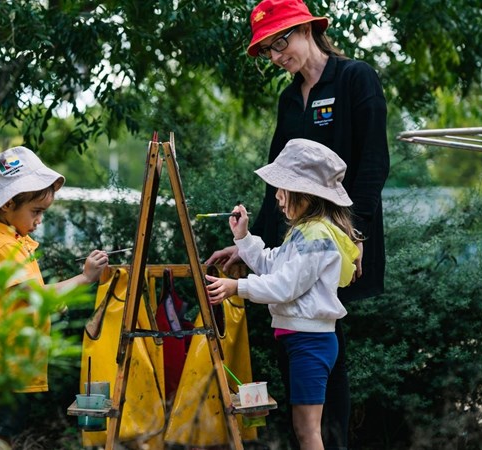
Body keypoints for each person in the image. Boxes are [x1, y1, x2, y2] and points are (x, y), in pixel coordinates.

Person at [206, 0, 390, 448]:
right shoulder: (289, 97)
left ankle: (328, 440)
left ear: (308, 28)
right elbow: (278, 179)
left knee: (325, 333)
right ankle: (311, 440)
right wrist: (251, 244)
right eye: (267, 49)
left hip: (341, 236)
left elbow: (373, 162)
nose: (275, 55)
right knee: (298, 335)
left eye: (279, 42)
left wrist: (355, 233)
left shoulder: (354, 77)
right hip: (296, 238)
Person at [205, 138, 361, 450]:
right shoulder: (305, 232)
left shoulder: (316, 236)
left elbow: (284, 286)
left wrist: (238, 287)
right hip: (301, 340)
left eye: (283, 187)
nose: (277, 195)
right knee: (303, 428)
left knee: (307, 430)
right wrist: (244, 237)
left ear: (306, 194)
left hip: (310, 343)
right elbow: (271, 264)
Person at [0, 146, 109, 450]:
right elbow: (36, 295)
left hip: (10, 369)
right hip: (0, 372)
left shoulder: (12, 241)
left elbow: (22, 297)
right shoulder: (4, 247)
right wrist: (84, 278)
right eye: (36, 211)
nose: (40, 220)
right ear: (7, 204)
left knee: (2, 437)